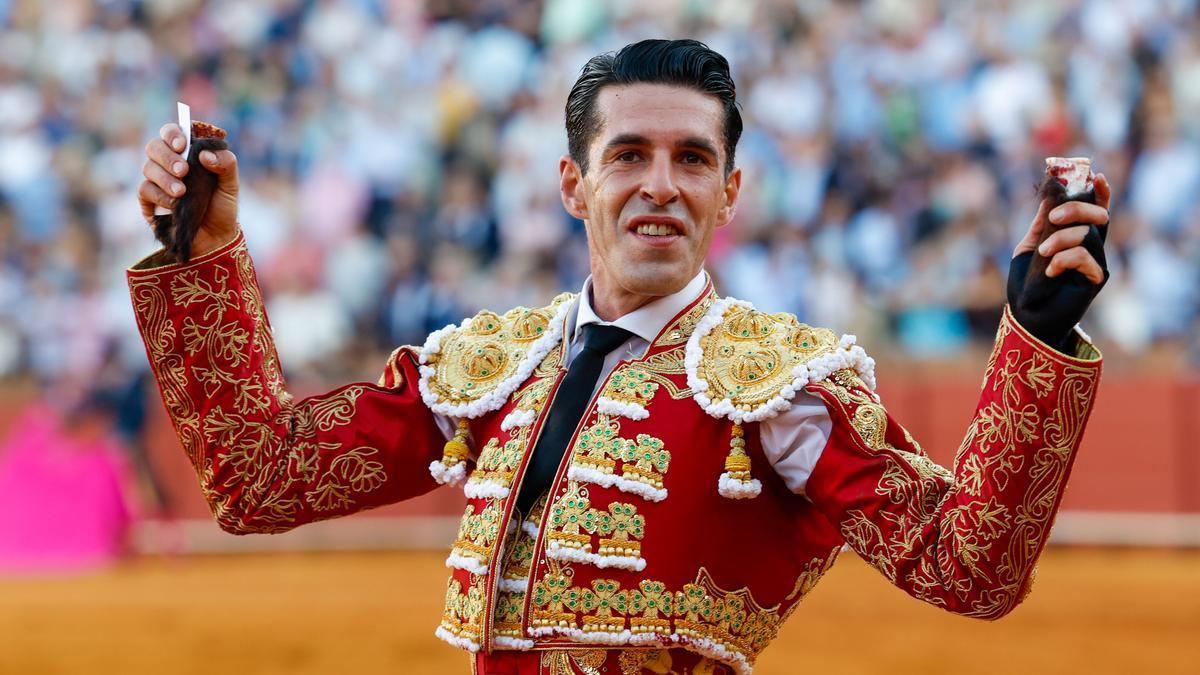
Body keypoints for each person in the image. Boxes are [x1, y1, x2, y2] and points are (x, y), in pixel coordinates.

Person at [130, 40, 1109, 675]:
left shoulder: (779, 387)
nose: (660, 186)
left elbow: (970, 569)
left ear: (729, 194)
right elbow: (259, 476)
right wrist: (206, 253)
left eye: (691, 161)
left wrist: (1039, 340)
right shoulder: (494, 364)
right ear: (573, 184)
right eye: (629, 155)